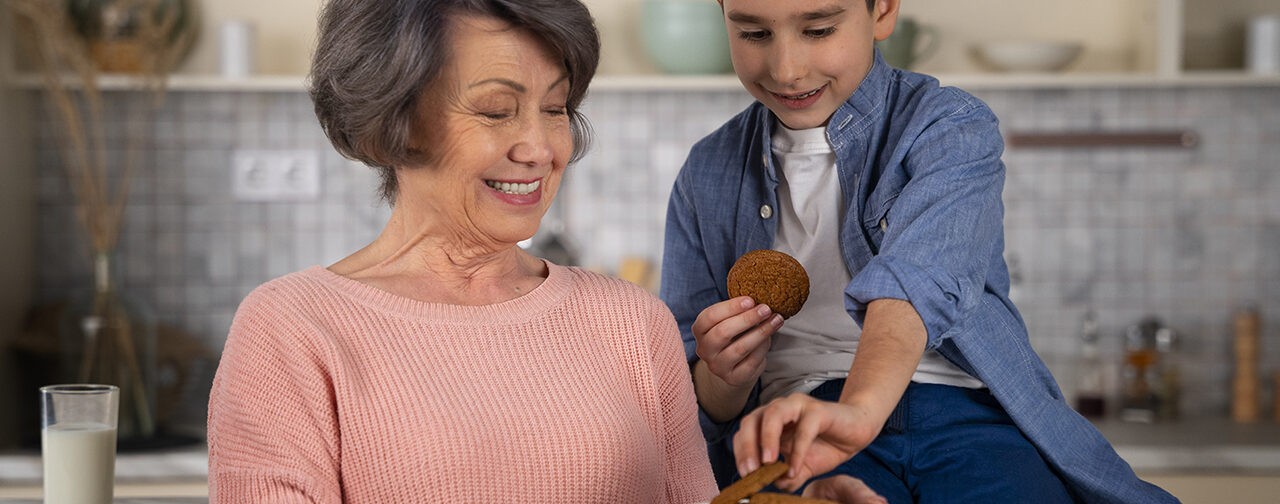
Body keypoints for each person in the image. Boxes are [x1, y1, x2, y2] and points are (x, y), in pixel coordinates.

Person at [658, 0, 1179, 502]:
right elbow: (694, 400)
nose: (787, 68)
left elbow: (916, 278)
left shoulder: (949, 126)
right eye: (753, 34)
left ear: (882, 10)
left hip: (967, 416)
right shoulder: (706, 173)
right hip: (800, 425)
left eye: (818, 30)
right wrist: (723, 374)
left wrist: (860, 412)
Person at [205, 1, 721, 502]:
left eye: (554, 109)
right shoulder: (293, 329)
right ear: (393, 122)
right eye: (497, 111)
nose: (540, 148)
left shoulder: (633, 324)